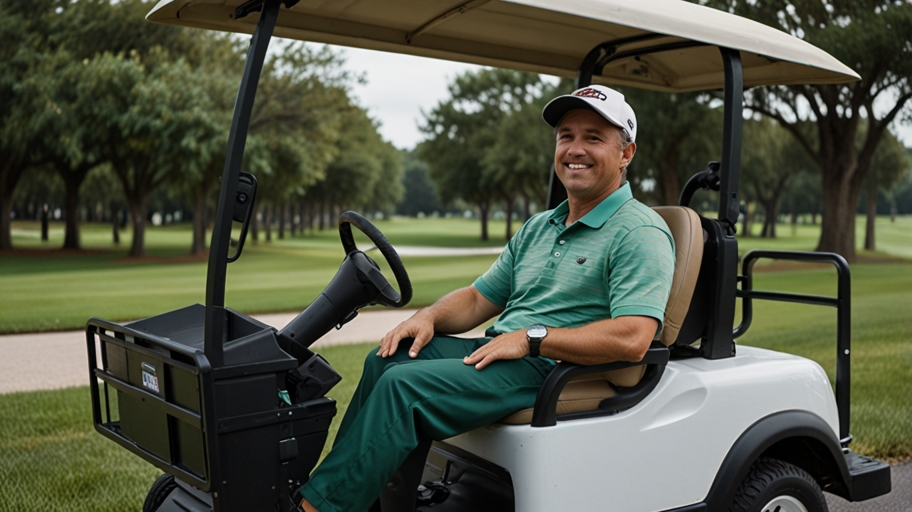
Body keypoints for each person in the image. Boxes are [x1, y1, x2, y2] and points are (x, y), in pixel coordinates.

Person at [298, 84, 676, 512]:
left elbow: (634, 338)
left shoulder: (639, 232)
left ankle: (318, 509)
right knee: (386, 359)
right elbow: (479, 299)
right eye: (566, 136)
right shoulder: (540, 226)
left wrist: (532, 338)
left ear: (626, 154)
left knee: (405, 388)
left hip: (553, 366)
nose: (575, 149)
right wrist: (430, 317)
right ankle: (370, 503)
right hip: (509, 353)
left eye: (593, 137)